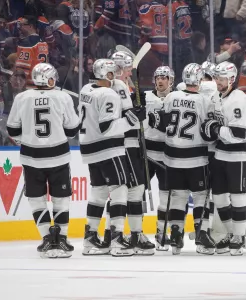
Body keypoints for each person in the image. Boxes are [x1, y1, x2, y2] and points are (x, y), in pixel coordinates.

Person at [6, 63, 80, 258]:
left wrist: (30, 139)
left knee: (36, 199)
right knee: (61, 199)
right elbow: (72, 130)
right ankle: (62, 239)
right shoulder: (63, 97)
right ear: (50, 79)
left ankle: (47, 238)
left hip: (31, 158)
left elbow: (12, 131)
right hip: (59, 157)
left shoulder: (21, 98)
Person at [78, 59, 146, 257]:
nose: (115, 75)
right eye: (112, 73)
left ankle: (90, 240)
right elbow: (107, 128)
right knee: (120, 190)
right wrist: (133, 119)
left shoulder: (85, 90)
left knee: (98, 192)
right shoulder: (109, 94)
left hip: (89, 148)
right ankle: (116, 239)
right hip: (109, 148)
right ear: (107, 74)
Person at [148, 63, 216, 255]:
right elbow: (210, 131)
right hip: (196, 158)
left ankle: (176, 235)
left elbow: (161, 123)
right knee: (201, 196)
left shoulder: (171, 97)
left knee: (177, 197)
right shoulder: (205, 101)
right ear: (199, 79)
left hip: (172, 158)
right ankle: (201, 235)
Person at [201, 61, 246, 256]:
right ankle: (232, 233)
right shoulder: (216, 97)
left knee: (238, 196)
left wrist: (215, 129)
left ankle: (239, 237)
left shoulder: (238, 99)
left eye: (222, 79)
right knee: (218, 196)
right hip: (221, 153)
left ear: (232, 79)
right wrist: (210, 126)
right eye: (216, 78)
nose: (218, 82)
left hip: (240, 154)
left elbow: (239, 133)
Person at [108, 51, 156, 255]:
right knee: (123, 191)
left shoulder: (125, 86)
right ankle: (116, 235)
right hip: (123, 144)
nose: (130, 70)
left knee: (136, 188)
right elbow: (124, 117)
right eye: (127, 67)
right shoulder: (116, 88)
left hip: (133, 143)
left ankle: (135, 234)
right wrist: (136, 109)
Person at [144, 66, 175, 251]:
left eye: (164, 77)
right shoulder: (145, 97)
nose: (160, 81)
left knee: (166, 198)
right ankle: (136, 232)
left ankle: (162, 232)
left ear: (171, 80)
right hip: (146, 153)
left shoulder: (176, 99)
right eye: (158, 77)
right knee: (136, 195)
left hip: (167, 154)